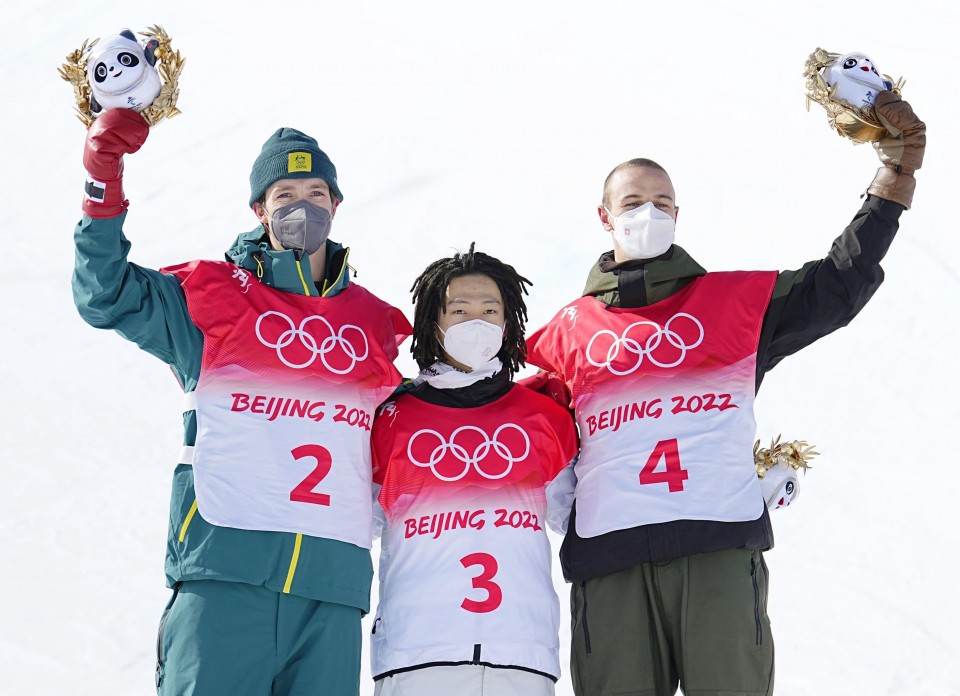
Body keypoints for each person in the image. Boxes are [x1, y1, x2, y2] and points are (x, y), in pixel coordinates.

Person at [524, 90, 925, 696]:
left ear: (679, 214)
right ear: (604, 217)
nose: (648, 212)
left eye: (662, 202)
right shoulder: (567, 333)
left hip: (717, 548)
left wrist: (895, 176)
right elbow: (514, 429)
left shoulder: (733, 306)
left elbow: (838, 285)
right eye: (632, 202)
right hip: (610, 563)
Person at [72, 108, 412, 695]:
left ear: (336, 204)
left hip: (330, 593)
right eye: (284, 193)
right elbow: (106, 294)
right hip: (225, 575)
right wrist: (103, 178)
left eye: (315, 192)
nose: (301, 205)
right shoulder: (210, 298)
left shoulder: (376, 324)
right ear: (259, 209)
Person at [368, 245, 579, 696]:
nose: (476, 323)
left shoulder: (544, 416)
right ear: (432, 322)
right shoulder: (388, 418)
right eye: (459, 310)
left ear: (508, 323)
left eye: (490, 310)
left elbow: (580, 516)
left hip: (521, 652)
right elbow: (347, 519)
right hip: (417, 653)